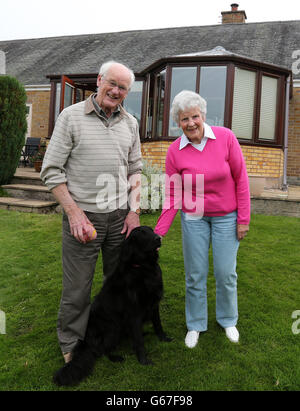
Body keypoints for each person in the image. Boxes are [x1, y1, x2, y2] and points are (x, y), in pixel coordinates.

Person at [41, 61, 142, 362]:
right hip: (83, 218)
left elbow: (135, 168)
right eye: (111, 83)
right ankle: (71, 343)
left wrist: (133, 211)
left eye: (123, 87)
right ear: (99, 81)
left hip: (120, 218)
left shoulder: (130, 123)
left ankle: (114, 332)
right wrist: (74, 213)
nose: (116, 90)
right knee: (77, 289)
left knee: (120, 282)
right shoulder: (71, 117)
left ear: (127, 92)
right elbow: (51, 171)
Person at [154, 90, 250, 348]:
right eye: (184, 119)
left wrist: (243, 219)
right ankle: (195, 324)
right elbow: (173, 194)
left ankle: (228, 320)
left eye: (195, 116)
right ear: (178, 122)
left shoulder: (226, 138)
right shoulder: (175, 151)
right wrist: (158, 232)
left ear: (203, 115)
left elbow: (241, 179)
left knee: (225, 272)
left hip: (226, 217)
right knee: (195, 274)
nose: (191, 123)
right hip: (194, 216)